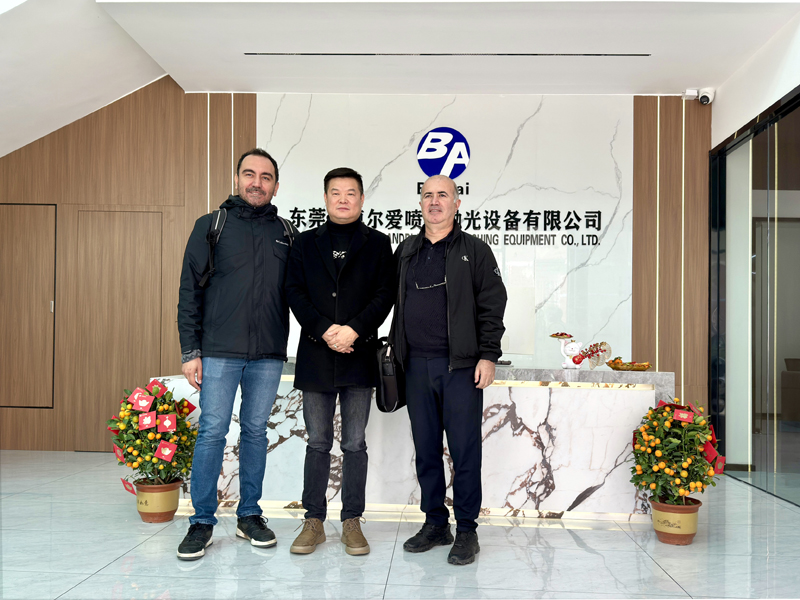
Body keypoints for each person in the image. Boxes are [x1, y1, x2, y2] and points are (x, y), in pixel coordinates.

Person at [176, 148, 298, 561]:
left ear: (276, 186)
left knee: (255, 432)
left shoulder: (286, 232)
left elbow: (300, 292)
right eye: (249, 174)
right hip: (219, 351)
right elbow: (189, 290)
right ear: (236, 179)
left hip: (268, 353)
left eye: (266, 177)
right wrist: (190, 350)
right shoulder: (212, 226)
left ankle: (249, 516)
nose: (256, 182)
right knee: (212, 431)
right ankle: (201, 521)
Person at [390, 174, 507, 565]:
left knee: (464, 451)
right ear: (420, 204)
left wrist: (488, 355)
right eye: (428, 195)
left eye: (443, 195)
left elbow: (493, 305)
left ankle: (467, 530)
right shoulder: (406, 251)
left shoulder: (475, 251)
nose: (434, 201)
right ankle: (436, 524)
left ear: (457, 203)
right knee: (426, 451)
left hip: (460, 368)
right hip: (415, 366)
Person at [285, 167, 395, 556]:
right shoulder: (305, 243)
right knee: (317, 442)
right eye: (336, 192)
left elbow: (385, 294)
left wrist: (353, 331)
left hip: (358, 356)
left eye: (351, 193)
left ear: (362, 199)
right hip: (316, 356)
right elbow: (294, 291)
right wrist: (326, 330)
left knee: (354, 443)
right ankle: (313, 520)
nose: (343, 199)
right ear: (325, 198)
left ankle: (352, 521)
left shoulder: (378, 244)